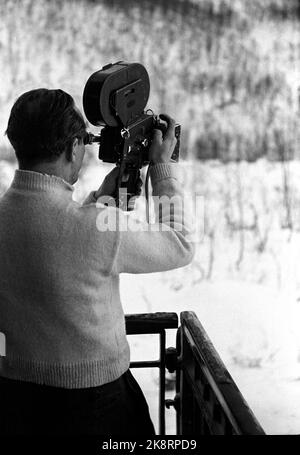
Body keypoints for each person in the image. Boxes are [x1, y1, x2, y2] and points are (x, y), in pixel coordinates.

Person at [0, 88, 195, 435]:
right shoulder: (94, 227)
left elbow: (61, 233)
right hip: (97, 406)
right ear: (73, 147)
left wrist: (108, 196)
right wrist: (163, 170)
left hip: (16, 403)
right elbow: (179, 241)